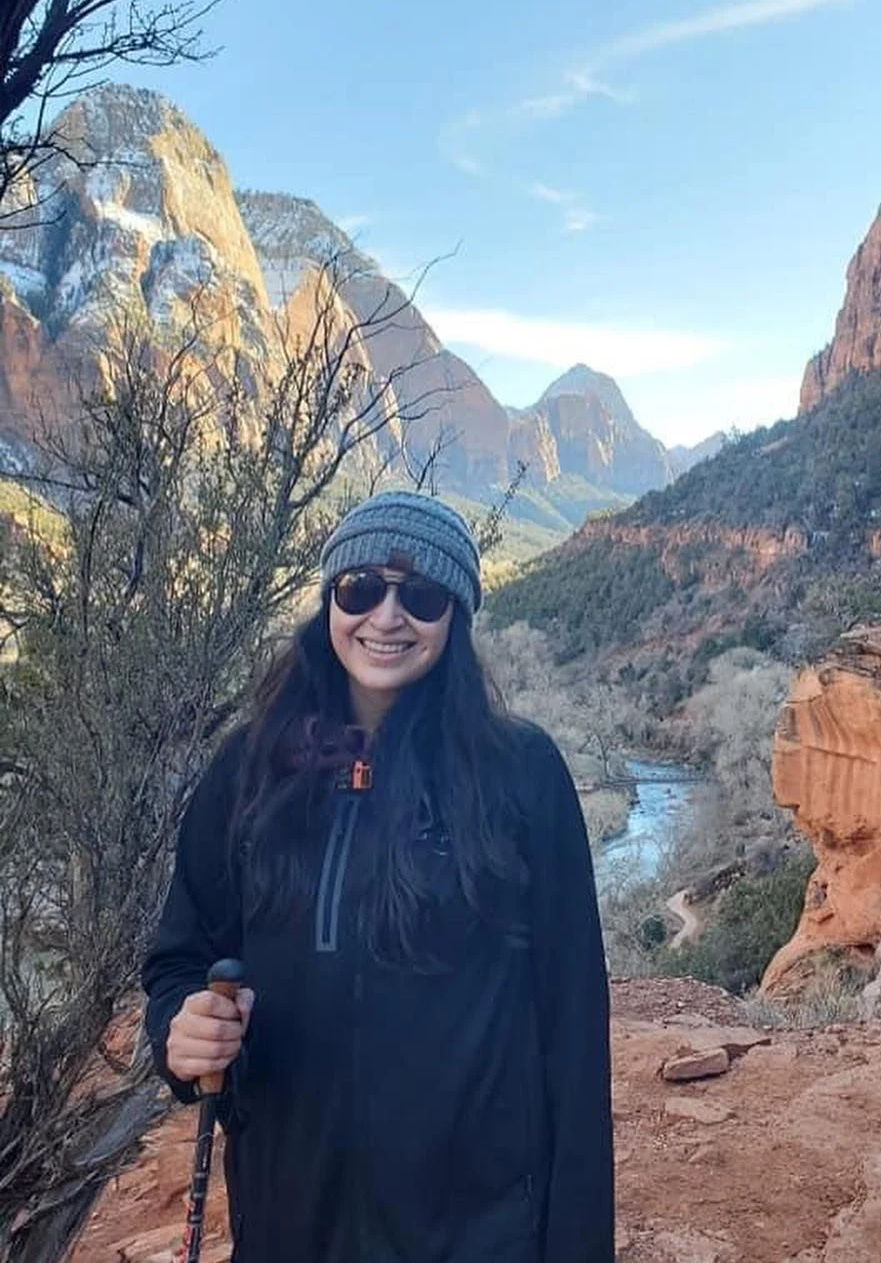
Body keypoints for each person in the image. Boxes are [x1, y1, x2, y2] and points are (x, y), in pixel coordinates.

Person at [142, 492, 614, 1263]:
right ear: (330, 600)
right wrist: (180, 1033)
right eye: (360, 588)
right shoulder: (249, 767)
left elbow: (572, 1027)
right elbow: (181, 960)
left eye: (420, 596)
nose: (387, 617)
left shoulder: (520, 774)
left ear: (455, 616)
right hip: (289, 1220)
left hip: (476, 1232)